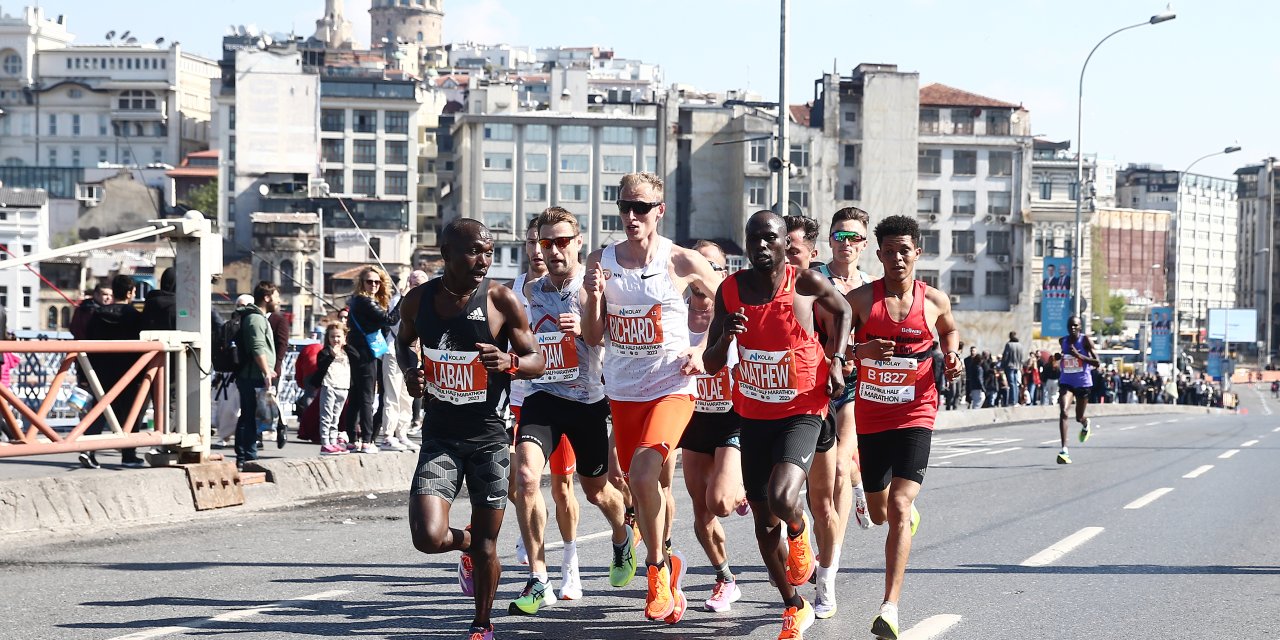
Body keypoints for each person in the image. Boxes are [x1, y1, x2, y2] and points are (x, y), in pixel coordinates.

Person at [703, 210, 851, 640]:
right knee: (764, 525)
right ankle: (794, 604)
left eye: (770, 238)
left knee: (784, 496)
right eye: (754, 239)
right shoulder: (729, 290)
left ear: (786, 243)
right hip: (753, 414)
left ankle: (801, 533)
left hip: (803, 407)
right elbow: (711, 364)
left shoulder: (803, 282)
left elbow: (841, 312)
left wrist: (837, 360)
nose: (761, 247)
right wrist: (725, 336)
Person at [581, 172, 721, 623]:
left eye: (641, 208)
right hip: (622, 391)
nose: (631, 216)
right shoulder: (600, 260)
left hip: (672, 385)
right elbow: (594, 336)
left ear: (659, 211)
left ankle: (657, 570)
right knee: (642, 485)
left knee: (642, 473)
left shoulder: (682, 261)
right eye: (624, 207)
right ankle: (669, 561)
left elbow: (729, 309)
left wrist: (702, 350)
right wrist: (593, 297)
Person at [399, 218, 545, 640]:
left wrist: (511, 364)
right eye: (474, 251)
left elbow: (536, 358)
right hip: (440, 437)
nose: (484, 260)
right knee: (427, 537)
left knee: (488, 547)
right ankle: (464, 543)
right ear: (446, 254)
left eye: (489, 251)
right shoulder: (418, 300)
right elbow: (403, 342)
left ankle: (482, 624)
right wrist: (413, 372)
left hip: (489, 440)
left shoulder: (501, 300)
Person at [509, 208, 631, 615]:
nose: (555, 250)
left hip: (587, 401)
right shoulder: (531, 290)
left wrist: (583, 328)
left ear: (578, 243)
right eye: (547, 243)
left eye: (563, 241)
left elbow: (612, 339)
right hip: (542, 395)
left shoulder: (592, 286)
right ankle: (538, 578)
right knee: (526, 477)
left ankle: (621, 533)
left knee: (596, 490)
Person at [845, 215, 962, 639]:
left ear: (918, 253)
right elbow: (834, 348)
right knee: (878, 513)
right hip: (872, 415)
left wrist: (952, 356)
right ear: (879, 255)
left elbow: (949, 332)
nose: (897, 258)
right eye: (889, 251)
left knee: (898, 506)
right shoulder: (860, 300)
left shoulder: (934, 301)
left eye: (904, 250)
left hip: (917, 411)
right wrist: (863, 349)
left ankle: (890, 607)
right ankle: (903, 515)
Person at [804, 207, 876, 618]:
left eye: (854, 238)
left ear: (865, 245)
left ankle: (829, 562)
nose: (846, 244)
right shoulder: (815, 278)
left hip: (852, 386)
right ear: (829, 240)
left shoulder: (871, 287)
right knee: (823, 482)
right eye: (839, 236)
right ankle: (856, 486)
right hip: (814, 384)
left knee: (839, 471)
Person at [678, 239, 748, 614]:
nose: (701, 272)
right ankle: (726, 579)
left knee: (719, 502)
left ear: (721, 274)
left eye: (712, 265)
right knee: (701, 515)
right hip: (692, 419)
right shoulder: (673, 311)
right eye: (696, 263)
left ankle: (742, 488)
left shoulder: (734, 313)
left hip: (731, 417)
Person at [510, 218, 581, 573]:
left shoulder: (571, 286)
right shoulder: (515, 290)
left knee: (564, 486)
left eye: (548, 243)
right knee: (521, 480)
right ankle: (534, 545)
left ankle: (570, 560)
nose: (540, 250)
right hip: (524, 395)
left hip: (571, 395)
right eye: (533, 242)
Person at [84, 274, 148, 468]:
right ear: (130, 293)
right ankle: (128, 454)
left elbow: (88, 342)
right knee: (131, 412)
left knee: (100, 409)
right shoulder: (135, 317)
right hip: (128, 370)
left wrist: (85, 372)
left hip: (101, 371)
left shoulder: (98, 314)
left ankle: (88, 449)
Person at [342, 266, 398, 453]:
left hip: (359, 351)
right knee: (366, 397)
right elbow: (390, 319)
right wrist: (404, 299)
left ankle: (352, 439)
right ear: (362, 283)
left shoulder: (357, 301)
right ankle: (366, 440)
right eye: (370, 281)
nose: (374, 285)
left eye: (377, 281)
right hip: (365, 353)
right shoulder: (365, 301)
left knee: (357, 396)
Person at [233, 282, 278, 471]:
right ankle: (247, 456)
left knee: (249, 416)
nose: (278, 301)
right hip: (251, 376)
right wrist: (266, 371)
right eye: (276, 296)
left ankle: (245, 455)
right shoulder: (256, 319)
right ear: (267, 297)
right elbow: (258, 347)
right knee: (250, 417)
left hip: (253, 373)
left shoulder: (256, 318)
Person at [1054, 315, 1101, 465]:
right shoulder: (1063, 341)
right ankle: (1064, 450)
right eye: (1070, 326)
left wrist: (1078, 355)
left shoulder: (1085, 340)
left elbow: (1097, 362)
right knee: (1063, 412)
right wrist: (1058, 357)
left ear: (1080, 327)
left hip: (1082, 383)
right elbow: (1063, 357)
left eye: (1075, 325)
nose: (1073, 328)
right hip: (1066, 381)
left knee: (1078, 417)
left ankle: (1085, 423)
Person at [310, 323, 351, 455]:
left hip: (343, 386)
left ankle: (333, 441)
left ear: (344, 337)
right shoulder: (325, 352)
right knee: (326, 416)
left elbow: (357, 357)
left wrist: (345, 346)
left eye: (339, 336)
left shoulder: (347, 352)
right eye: (332, 336)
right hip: (329, 385)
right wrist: (331, 355)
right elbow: (321, 366)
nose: (336, 339)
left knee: (336, 417)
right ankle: (325, 443)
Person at [1001, 332, 1025, 406]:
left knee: (1011, 383)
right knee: (1015, 383)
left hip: (1009, 366)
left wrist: (1002, 365)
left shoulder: (1009, 345)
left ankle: (1012, 401)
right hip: (1017, 366)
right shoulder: (1020, 345)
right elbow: (1021, 357)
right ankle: (1015, 400)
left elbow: (1005, 356)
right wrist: (1020, 366)